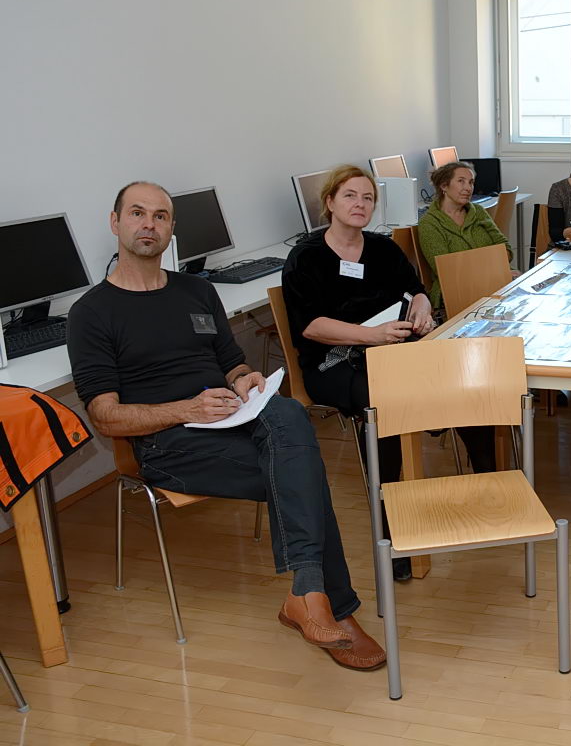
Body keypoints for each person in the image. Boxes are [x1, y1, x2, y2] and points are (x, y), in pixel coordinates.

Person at [67, 181, 385, 670]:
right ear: (115, 223)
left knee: (287, 413)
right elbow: (105, 417)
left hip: (232, 420)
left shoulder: (197, 291)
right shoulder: (91, 313)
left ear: (172, 228)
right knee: (301, 471)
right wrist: (186, 410)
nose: (149, 224)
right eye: (137, 213)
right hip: (168, 445)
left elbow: (230, 361)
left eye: (160, 216)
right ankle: (326, 605)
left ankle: (309, 595)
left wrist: (244, 379)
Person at [283, 165, 499, 581]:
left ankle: (490, 489)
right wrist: (371, 335)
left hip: (392, 347)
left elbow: (416, 290)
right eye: (350, 196)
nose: (360, 204)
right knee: (383, 404)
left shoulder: (383, 248)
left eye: (367, 197)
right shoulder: (306, 257)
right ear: (330, 203)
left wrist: (420, 307)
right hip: (336, 360)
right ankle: (391, 532)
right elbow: (310, 326)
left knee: (466, 377)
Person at [418, 160, 512, 309]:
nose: (468, 188)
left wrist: (493, 270)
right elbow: (447, 271)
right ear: (444, 186)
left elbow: (507, 251)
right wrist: (494, 265)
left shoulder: (478, 212)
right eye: (461, 181)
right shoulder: (429, 223)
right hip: (454, 294)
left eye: (471, 182)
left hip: (493, 283)